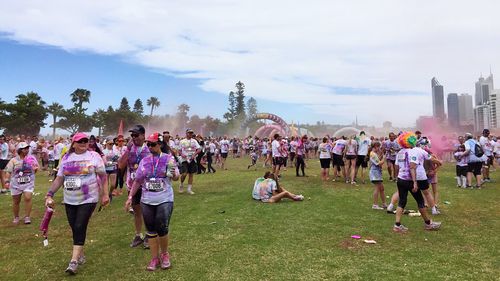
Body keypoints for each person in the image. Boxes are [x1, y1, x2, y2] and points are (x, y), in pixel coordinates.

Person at [45, 132, 109, 275]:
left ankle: (73, 261)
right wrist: (50, 193)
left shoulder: (94, 156)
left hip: (89, 198)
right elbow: (59, 179)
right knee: (74, 227)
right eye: (80, 141)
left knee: (80, 225)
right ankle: (80, 252)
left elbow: (103, 176)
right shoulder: (66, 158)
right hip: (70, 199)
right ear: (73, 143)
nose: (83, 143)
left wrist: (105, 194)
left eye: (86, 140)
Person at [125, 132, 179, 271]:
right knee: (150, 230)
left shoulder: (168, 159)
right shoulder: (144, 161)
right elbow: (137, 181)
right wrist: (130, 197)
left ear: (159, 144)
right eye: (148, 144)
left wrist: (174, 173)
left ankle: (165, 254)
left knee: (162, 227)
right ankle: (154, 258)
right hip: (147, 199)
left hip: (164, 198)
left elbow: (176, 178)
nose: (150, 146)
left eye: (153, 144)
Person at [392, 132, 441, 233]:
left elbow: (396, 166)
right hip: (409, 181)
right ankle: (428, 224)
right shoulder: (412, 152)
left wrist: (396, 177)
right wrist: (414, 182)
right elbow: (412, 167)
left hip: (400, 180)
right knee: (420, 201)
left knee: (402, 202)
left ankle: (397, 225)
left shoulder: (400, 152)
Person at [118, 125, 152, 248]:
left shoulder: (149, 148)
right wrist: (127, 150)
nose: (134, 138)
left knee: (147, 210)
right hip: (133, 184)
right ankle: (138, 235)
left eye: (136, 135)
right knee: (137, 211)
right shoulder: (129, 149)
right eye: (132, 136)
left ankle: (149, 235)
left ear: (143, 135)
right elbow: (121, 165)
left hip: (147, 185)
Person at [4, 142, 39, 224]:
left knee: (28, 197)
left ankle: (27, 217)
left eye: (27, 148)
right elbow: (8, 172)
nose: (26, 150)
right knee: (16, 201)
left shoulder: (31, 158)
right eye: (24, 148)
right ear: (19, 150)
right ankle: (16, 217)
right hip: (16, 184)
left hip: (28, 182)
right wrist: (6, 181)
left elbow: (36, 169)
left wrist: (35, 168)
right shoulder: (13, 160)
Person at [178, 128, 200, 194]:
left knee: (191, 174)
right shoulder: (182, 141)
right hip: (184, 159)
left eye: (191, 133)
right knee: (184, 173)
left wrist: (194, 154)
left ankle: (189, 189)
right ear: (186, 133)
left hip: (192, 159)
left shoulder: (194, 141)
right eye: (189, 133)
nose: (190, 134)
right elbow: (179, 150)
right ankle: (181, 184)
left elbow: (199, 149)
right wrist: (182, 154)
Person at [368, 141, 386, 210]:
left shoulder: (374, 154)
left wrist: (382, 156)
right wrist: (384, 158)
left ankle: (384, 204)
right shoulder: (373, 154)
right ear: (375, 146)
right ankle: (375, 205)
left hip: (377, 173)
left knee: (381, 188)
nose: (379, 148)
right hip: (375, 173)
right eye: (378, 147)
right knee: (377, 188)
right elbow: (379, 164)